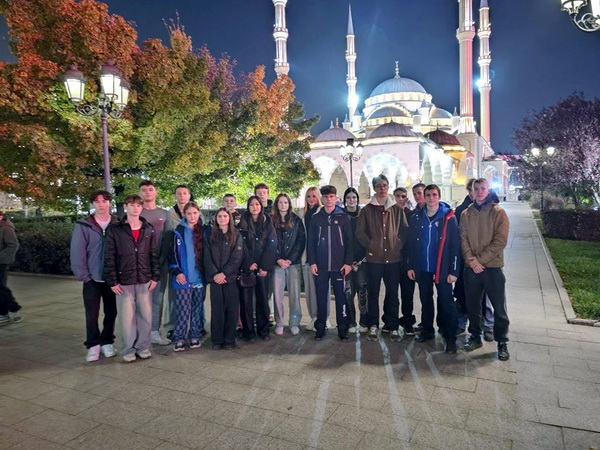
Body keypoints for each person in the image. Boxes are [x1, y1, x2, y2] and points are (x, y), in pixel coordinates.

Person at [104, 194, 160, 362]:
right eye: (132, 205)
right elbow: (109, 256)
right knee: (127, 318)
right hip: (124, 280)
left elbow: (153, 254)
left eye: (138, 205)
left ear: (141, 207)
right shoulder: (115, 229)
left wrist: (155, 276)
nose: (135, 208)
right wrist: (112, 280)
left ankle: (143, 346)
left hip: (144, 279)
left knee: (145, 316)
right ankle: (128, 349)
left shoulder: (148, 228)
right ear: (126, 206)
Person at [460, 178, 511, 361]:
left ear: (488, 190)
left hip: (492, 267)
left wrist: (479, 260)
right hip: (471, 268)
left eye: (483, 188)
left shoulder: (498, 212)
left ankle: (502, 342)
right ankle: (475, 336)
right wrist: (471, 261)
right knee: (473, 306)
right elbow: (463, 239)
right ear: (472, 191)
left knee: (499, 308)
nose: (479, 191)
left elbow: (500, 240)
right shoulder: (466, 214)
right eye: (476, 189)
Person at [407, 184, 460, 353]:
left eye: (434, 194)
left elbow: (455, 245)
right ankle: (428, 330)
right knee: (426, 301)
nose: (431, 198)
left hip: (442, 268)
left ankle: (450, 337)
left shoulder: (448, 218)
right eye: (428, 195)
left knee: (446, 302)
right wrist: (411, 265)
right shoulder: (417, 217)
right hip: (423, 267)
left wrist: (454, 271)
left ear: (439, 196)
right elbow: (412, 244)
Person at [356, 174, 408, 341]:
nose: (382, 188)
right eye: (379, 186)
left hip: (393, 259)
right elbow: (360, 232)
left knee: (392, 294)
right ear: (374, 188)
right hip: (374, 260)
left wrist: (397, 244)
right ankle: (373, 325)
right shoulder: (367, 210)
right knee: (373, 293)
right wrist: (371, 244)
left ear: (388, 186)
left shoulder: (397, 209)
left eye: (384, 185)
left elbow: (404, 230)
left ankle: (393, 326)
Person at [70, 190, 119, 362]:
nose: (101, 204)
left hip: (113, 278)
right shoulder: (84, 225)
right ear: (92, 204)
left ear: (109, 203)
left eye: (104, 201)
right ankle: (93, 344)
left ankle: (107, 341)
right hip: (92, 278)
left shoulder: (117, 223)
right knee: (91, 314)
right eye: (97, 201)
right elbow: (77, 252)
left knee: (111, 312)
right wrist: (84, 276)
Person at [307, 185, 353, 340]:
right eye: (326, 197)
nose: (328, 199)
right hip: (321, 266)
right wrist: (312, 262)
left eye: (331, 196)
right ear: (322, 198)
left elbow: (349, 241)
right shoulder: (316, 218)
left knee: (341, 298)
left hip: (339, 266)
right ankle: (320, 327)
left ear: (336, 198)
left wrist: (348, 263)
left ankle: (343, 328)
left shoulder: (343, 217)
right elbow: (311, 242)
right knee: (321, 297)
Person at [168, 202, 209, 352]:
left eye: (195, 213)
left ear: (199, 214)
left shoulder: (205, 231)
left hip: (199, 278)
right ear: (184, 214)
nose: (192, 216)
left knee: (197, 308)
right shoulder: (177, 232)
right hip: (183, 278)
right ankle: (179, 337)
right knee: (182, 309)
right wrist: (177, 272)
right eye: (189, 213)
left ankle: (195, 335)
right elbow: (172, 254)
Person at [238, 196, 278, 341]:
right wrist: (248, 263)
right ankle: (248, 332)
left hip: (263, 268)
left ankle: (263, 330)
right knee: (246, 301)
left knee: (262, 300)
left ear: (261, 206)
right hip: (247, 268)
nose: (254, 207)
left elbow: (272, 244)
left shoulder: (268, 223)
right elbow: (240, 245)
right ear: (248, 207)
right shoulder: (242, 223)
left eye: (257, 204)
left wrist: (264, 266)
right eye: (251, 204)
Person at [204, 208, 244, 350]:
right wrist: (215, 274)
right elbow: (206, 256)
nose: (222, 218)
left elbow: (237, 258)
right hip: (215, 279)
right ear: (216, 219)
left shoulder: (236, 235)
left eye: (225, 216)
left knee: (231, 309)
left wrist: (225, 274)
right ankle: (217, 340)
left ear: (229, 218)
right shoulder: (210, 235)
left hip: (230, 278)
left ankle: (229, 340)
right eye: (219, 216)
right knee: (217, 309)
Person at [139, 180, 171, 346]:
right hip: (140, 264)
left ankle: (154, 332)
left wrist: (164, 262)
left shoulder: (164, 214)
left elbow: (168, 239)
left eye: (150, 189)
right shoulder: (136, 212)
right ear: (140, 193)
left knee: (157, 299)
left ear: (156, 192)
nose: (147, 192)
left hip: (160, 264)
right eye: (144, 190)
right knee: (140, 299)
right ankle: (140, 332)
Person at [272, 193, 306, 336]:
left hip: (293, 264)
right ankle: (279, 322)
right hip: (277, 264)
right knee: (277, 296)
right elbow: (269, 241)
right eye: (280, 202)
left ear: (289, 204)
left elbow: (300, 241)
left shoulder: (296, 220)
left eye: (285, 202)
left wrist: (290, 259)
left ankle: (294, 322)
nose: (283, 205)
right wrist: (278, 259)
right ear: (277, 204)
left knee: (294, 295)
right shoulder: (271, 221)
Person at [299, 186, 330, 331]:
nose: (311, 199)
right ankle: (314, 317)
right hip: (307, 256)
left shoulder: (323, 212)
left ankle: (325, 317)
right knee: (310, 290)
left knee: (323, 290)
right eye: (308, 196)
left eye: (313, 196)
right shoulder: (302, 214)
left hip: (322, 257)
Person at [342, 187, 367, 334]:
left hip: (362, 260)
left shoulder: (363, 215)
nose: (351, 200)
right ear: (345, 200)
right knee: (348, 293)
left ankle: (364, 321)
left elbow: (368, 237)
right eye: (348, 198)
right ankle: (351, 322)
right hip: (346, 262)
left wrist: (362, 259)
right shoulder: (341, 215)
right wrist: (348, 261)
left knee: (363, 291)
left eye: (354, 197)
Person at [393, 187, 417, 335]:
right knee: (392, 294)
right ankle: (391, 321)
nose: (400, 199)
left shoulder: (412, 215)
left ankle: (408, 321)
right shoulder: (389, 213)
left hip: (407, 260)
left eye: (403, 196)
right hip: (392, 260)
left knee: (407, 294)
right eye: (398, 196)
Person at [0, 212, 21, 325]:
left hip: (1, 262)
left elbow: (13, 245)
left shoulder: (6, 228)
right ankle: (12, 309)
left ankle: (5, 312)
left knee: (1, 288)